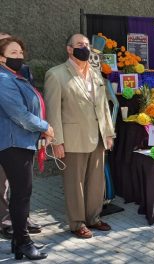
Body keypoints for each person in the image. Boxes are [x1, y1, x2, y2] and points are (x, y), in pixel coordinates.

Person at [44, 33, 115, 239]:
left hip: (98, 137)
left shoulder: (95, 73)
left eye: (86, 45)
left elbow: (103, 106)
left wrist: (109, 133)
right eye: (79, 45)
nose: (84, 48)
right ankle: (77, 223)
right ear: (69, 49)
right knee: (75, 183)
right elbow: (53, 111)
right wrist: (57, 141)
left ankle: (93, 218)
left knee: (96, 181)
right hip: (73, 138)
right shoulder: (56, 74)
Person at [0, 37, 52, 260]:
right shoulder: (3, 79)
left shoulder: (16, 76)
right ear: (1, 57)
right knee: (21, 194)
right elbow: (19, 114)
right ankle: (23, 243)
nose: (19, 56)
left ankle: (17, 242)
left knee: (21, 193)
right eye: (13, 52)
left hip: (21, 141)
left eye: (21, 51)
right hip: (13, 142)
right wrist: (45, 127)